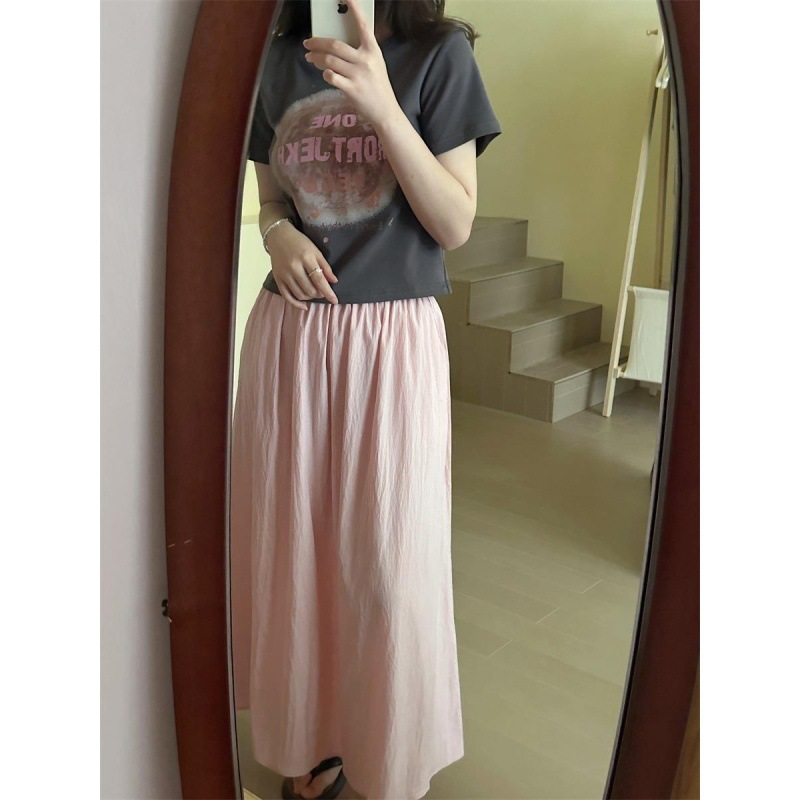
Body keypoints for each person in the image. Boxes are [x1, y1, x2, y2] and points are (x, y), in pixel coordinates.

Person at [230, 1, 502, 798]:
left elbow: (455, 221)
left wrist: (381, 103)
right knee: (293, 554)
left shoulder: (439, 56)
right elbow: (272, 201)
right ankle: (310, 743)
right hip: (290, 338)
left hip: (391, 344)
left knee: (388, 565)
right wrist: (275, 234)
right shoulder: (272, 60)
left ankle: (384, 752)